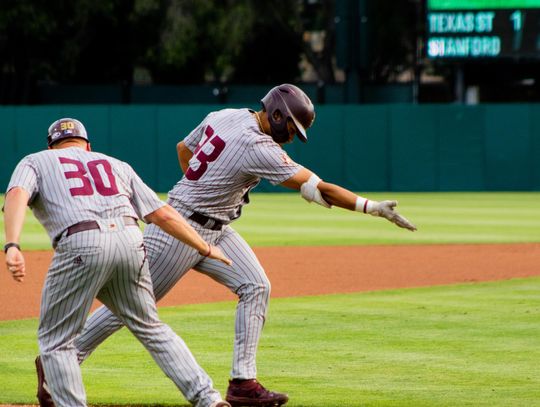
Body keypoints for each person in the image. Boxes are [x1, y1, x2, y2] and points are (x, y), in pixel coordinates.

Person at [70, 84, 417, 407]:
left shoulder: (226, 115)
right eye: (293, 128)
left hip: (214, 226)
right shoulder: (259, 147)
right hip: (179, 229)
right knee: (133, 307)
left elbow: (183, 149)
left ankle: (243, 383)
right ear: (278, 115)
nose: (293, 137)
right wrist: (370, 207)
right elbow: (318, 188)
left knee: (256, 285)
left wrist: (204, 186)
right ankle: (64, 358)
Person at [3, 118, 233, 407]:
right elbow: (161, 213)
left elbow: (16, 195)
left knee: (57, 342)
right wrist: (204, 246)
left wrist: (12, 243)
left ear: (51, 146)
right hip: (130, 241)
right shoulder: (115, 163)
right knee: (151, 327)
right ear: (88, 145)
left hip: (81, 242)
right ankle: (209, 399)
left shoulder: (36, 160)